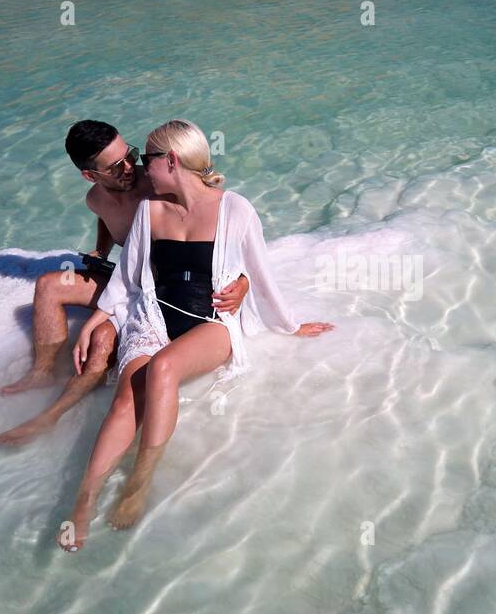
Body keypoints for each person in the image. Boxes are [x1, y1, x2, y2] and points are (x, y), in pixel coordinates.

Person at [57, 120, 333, 551]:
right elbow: (129, 279)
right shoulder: (149, 211)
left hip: (211, 325)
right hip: (153, 316)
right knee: (128, 395)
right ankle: (83, 501)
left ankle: (139, 482)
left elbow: (259, 272)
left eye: (146, 158)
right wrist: (99, 319)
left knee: (162, 369)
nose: (138, 167)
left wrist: (290, 324)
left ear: (170, 160)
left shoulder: (235, 209)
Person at [0, 120, 251, 447]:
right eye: (114, 167)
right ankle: (43, 371)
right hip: (125, 276)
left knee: (100, 339)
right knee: (48, 285)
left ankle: (51, 416)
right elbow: (108, 219)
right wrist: (101, 249)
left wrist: (243, 281)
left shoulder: (156, 184)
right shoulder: (94, 199)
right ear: (90, 175)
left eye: (131, 156)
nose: (129, 168)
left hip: (157, 288)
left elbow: (218, 228)